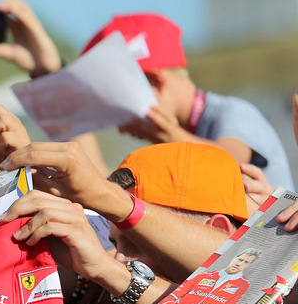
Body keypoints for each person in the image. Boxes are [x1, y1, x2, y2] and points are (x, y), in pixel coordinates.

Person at [84, 12, 294, 191]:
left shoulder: (233, 112)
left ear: (156, 82)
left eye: (122, 111)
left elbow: (229, 162)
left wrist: (172, 136)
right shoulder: (178, 141)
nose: (121, 129)